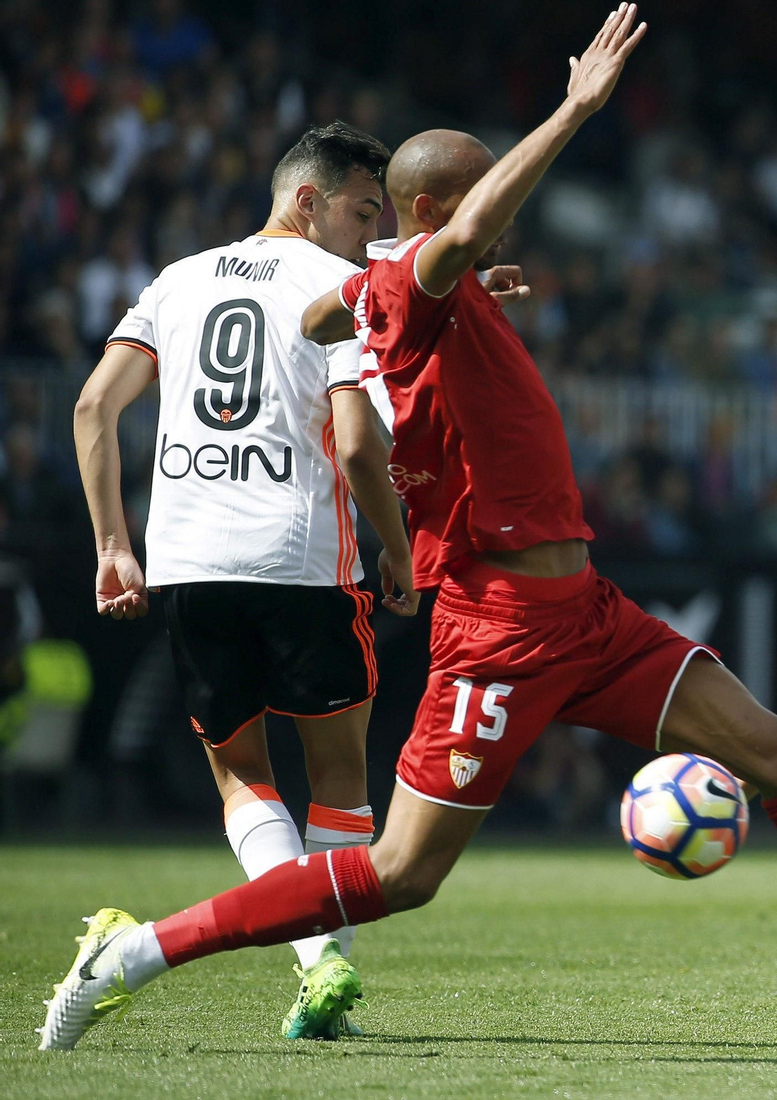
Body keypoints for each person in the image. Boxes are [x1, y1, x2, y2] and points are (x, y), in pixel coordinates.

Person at [38, 6, 777, 1053]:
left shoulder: (403, 290)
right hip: (498, 620)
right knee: (403, 873)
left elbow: (336, 310)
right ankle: (133, 956)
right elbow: (430, 255)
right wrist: (574, 109)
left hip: (584, 611)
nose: (513, 205)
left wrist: (361, 296)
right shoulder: (416, 274)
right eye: (486, 187)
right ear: (439, 205)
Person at [69, 121, 418, 1041]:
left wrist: (113, 542)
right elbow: (354, 442)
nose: (368, 231)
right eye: (359, 209)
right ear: (307, 200)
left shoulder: (176, 280)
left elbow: (94, 404)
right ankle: (326, 967)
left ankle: (318, 967)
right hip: (305, 560)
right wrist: (397, 547)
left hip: (189, 561)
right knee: (340, 784)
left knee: (242, 781)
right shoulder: (340, 289)